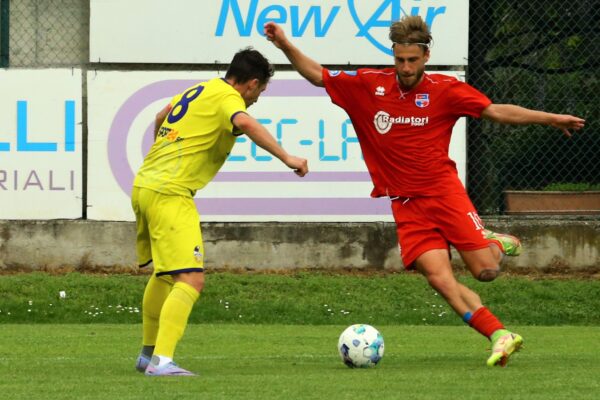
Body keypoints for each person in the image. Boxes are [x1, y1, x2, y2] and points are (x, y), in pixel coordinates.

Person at [264, 16, 585, 367]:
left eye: (412, 60)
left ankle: (492, 242)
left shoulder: (445, 90)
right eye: (400, 59)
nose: (405, 67)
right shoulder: (370, 86)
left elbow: (495, 111)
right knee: (439, 279)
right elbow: (318, 75)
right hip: (406, 204)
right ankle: (499, 334)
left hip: (444, 195)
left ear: (426, 56)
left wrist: (550, 118)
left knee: (486, 271)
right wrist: (284, 45)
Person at [132, 47, 309, 376]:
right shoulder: (230, 98)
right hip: (170, 192)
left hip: (145, 185)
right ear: (252, 84)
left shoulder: (199, 89)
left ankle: (147, 355)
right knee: (191, 278)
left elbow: (160, 117)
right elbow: (244, 121)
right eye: (260, 91)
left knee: (166, 273)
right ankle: (162, 362)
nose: (257, 99)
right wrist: (288, 157)